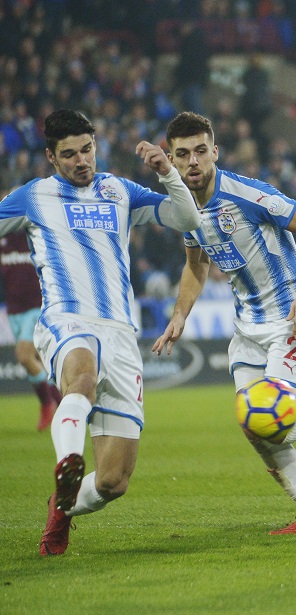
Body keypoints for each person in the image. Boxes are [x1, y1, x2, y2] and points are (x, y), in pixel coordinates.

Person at [153, 112, 296, 534]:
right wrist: (180, 313)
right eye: (182, 155)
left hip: (288, 323)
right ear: (172, 158)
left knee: (271, 422)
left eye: (201, 151)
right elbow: (196, 265)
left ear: (214, 152)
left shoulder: (246, 195)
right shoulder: (186, 211)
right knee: (253, 427)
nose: (193, 162)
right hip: (247, 330)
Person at [0, 109, 202, 556]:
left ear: (96, 145)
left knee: (113, 482)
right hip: (66, 318)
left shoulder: (119, 190)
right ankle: (68, 461)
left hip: (120, 331)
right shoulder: (34, 196)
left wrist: (168, 172)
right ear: (52, 158)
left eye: (87, 149)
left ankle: (62, 507)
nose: (81, 161)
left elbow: (188, 220)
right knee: (83, 377)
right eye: (69, 154)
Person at [0, 230, 62, 430]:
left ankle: (48, 404)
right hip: (13, 309)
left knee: (23, 355)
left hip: (37, 306)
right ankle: (61, 403)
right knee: (37, 362)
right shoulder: (3, 236)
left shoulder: (33, 233)